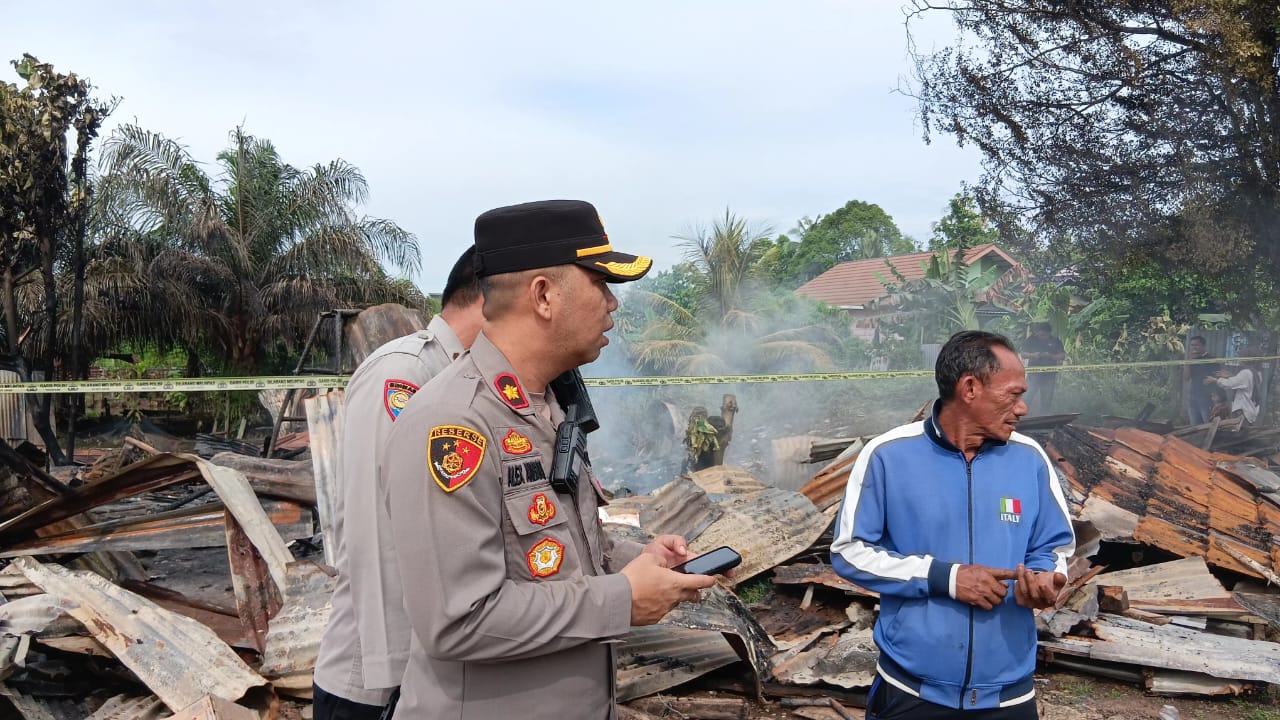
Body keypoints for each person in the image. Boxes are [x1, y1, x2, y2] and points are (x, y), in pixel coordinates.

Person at [384, 200, 718, 720]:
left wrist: (634, 559)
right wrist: (621, 601)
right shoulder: (454, 424)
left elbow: (552, 546)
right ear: (543, 295)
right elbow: (458, 619)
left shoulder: (546, 406)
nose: (612, 304)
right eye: (600, 284)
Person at [831, 330, 1075, 719]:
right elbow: (850, 552)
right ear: (970, 388)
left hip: (1008, 695)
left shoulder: (1030, 459)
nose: (1023, 408)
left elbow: (1054, 546)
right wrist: (946, 577)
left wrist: (1047, 578)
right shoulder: (888, 456)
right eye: (1013, 394)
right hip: (912, 691)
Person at [312, 247, 485, 720]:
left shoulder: (465, 377)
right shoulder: (406, 373)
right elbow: (378, 540)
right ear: (492, 299)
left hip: (425, 678)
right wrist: (397, 681)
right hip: (370, 686)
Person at [1019, 322, 1065, 416]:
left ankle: (1044, 417)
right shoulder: (1031, 339)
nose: (1041, 336)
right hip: (1034, 374)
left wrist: (1051, 356)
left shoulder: (1055, 341)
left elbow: (1062, 355)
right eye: (1039, 334)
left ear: (1048, 333)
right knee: (1028, 396)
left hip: (1049, 375)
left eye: (1043, 334)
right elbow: (1023, 354)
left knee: (1047, 398)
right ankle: (1020, 416)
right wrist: (1034, 355)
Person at [1206, 357, 1261, 425]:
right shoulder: (1255, 373)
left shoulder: (1246, 372)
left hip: (1243, 410)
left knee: (1239, 432)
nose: (1239, 362)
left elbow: (1230, 384)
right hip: (1250, 409)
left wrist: (1215, 380)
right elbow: (1242, 383)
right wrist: (1230, 376)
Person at [1183, 336, 1220, 425]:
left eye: (1197, 345)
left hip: (1207, 398)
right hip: (1193, 397)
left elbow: (1217, 379)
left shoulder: (1211, 359)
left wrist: (1216, 397)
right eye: (1192, 345)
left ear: (1203, 346)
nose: (1194, 347)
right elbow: (1186, 378)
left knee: (1208, 424)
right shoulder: (1192, 360)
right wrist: (1187, 362)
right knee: (1194, 427)